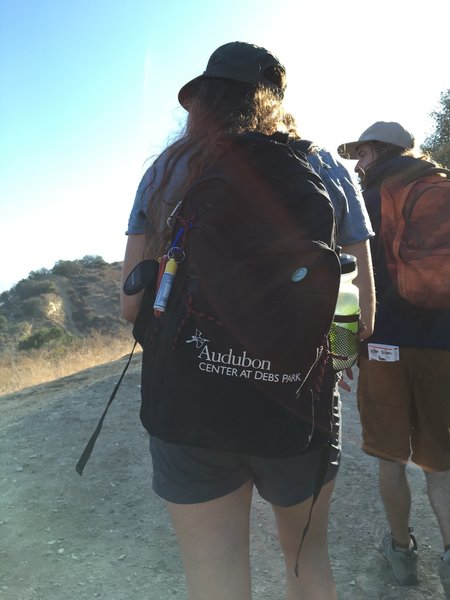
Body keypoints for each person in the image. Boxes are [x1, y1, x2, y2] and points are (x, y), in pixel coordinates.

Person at [121, 41, 374, 600]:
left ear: (200, 100)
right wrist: (336, 360)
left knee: (214, 579)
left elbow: (133, 306)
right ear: (276, 100)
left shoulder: (167, 170)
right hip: (295, 399)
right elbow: (360, 307)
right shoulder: (324, 166)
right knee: (307, 560)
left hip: (187, 401)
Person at [338, 121, 450, 594]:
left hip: (382, 347)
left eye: (361, 153)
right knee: (442, 464)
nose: (358, 164)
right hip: (443, 346)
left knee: (390, 457)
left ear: (376, 151)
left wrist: (341, 351)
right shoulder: (440, 189)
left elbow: (347, 284)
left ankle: (401, 551)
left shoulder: (360, 202)